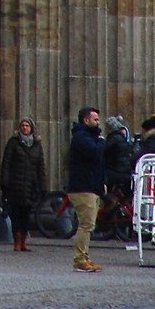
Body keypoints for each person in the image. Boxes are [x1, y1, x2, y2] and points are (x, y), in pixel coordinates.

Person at [65, 107, 106, 273]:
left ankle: (85, 257)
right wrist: (101, 141)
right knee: (86, 224)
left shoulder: (89, 136)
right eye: (95, 119)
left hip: (91, 185)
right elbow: (94, 153)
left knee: (89, 225)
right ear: (86, 120)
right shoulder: (81, 137)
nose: (98, 122)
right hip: (83, 187)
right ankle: (80, 260)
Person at [0, 118, 46, 253]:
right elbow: (6, 163)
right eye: (22, 126)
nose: (24, 128)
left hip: (31, 184)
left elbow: (40, 167)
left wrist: (42, 185)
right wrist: (4, 182)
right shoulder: (13, 143)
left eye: (27, 126)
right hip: (16, 183)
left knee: (26, 214)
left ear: (31, 128)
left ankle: (24, 241)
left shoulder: (36, 145)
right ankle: (17, 241)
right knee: (16, 214)